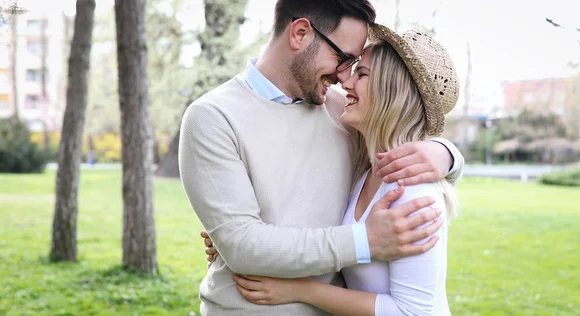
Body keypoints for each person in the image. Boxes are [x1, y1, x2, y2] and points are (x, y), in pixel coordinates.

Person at [178, 1, 463, 315]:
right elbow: (243, 245)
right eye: (344, 59)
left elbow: (396, 127)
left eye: (357, 68)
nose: (344, 77)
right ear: (300, 33)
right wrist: (364, 240)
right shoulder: (213, 118)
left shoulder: (342, 112)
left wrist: (447, 155)